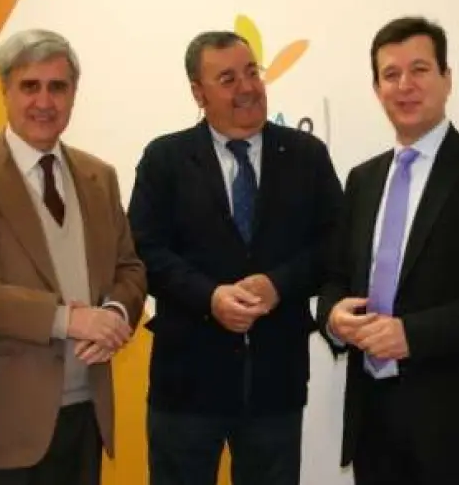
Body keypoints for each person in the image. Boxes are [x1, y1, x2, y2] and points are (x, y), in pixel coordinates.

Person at [316, 16, 459, 485]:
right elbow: (335, 276)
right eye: (391, 74)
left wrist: (413, 335)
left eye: (419, 70)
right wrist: (334, 318)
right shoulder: (362, 180)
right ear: (377, 89)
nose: (405, 86)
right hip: (374, 422)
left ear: (446, 78)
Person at [0, 28, 147, 485]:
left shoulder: (99, 177)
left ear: (74, 94)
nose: (45, 101)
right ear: (5, 90)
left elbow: (130, 267)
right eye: (30, 86)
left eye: (57, 87)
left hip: (83, 418)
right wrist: (65, 320)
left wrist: (115, 313)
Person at [127, 30, 343, 485]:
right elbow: (144, 251)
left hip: (275, 380)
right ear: (198, 93)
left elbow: (337, 244)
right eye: (227, 79)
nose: (247, 88)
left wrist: (278, 285)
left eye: (252, 73)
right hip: (186, 382)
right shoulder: (165, 158)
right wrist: (210, 297)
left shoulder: (306, 155)